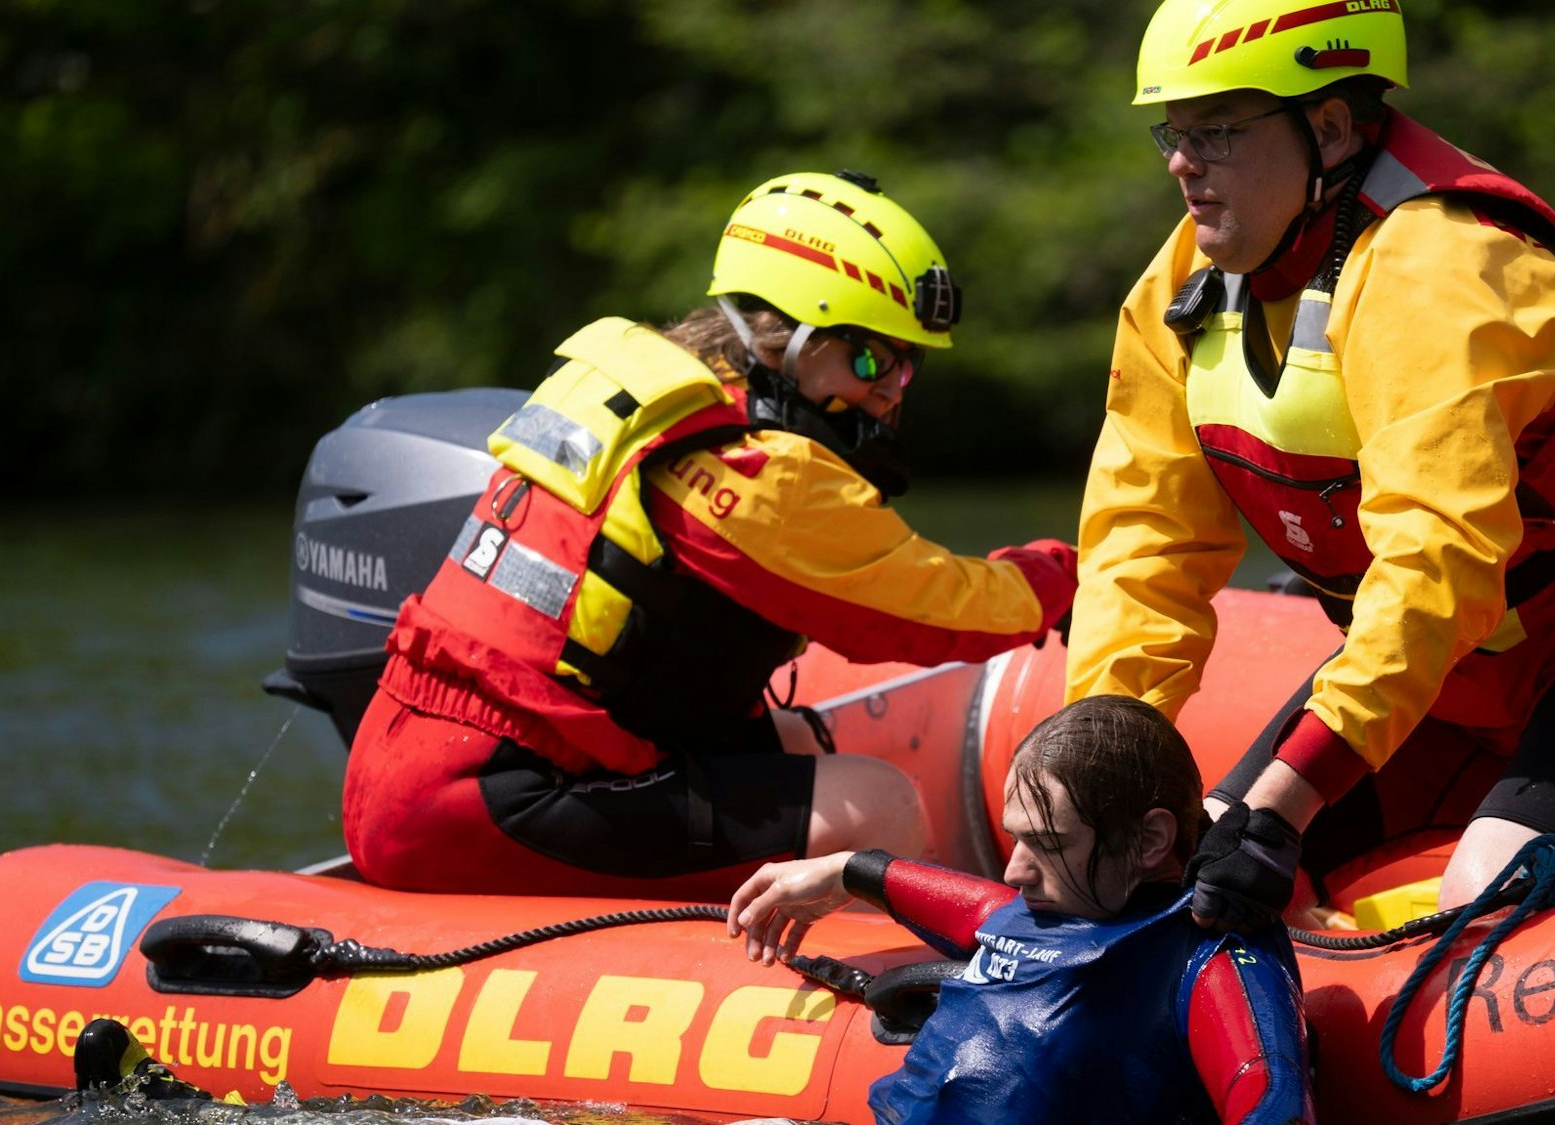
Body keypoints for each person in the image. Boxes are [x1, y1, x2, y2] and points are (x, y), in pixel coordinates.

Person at [1067, 0, 1555, 928]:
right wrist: (1094, 768)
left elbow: (1437, 563)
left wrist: (1282, 804)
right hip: (1458, 663)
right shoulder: (1173, 299)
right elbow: (1143, 555)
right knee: (1176, 871)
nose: (1181, 161)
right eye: (1172, 130)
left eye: (1217, 130)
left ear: (1329, 128)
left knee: (1480, 887)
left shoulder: (1442, 265)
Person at [343, 170, 1078, 899]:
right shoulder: (755, 471)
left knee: (794, 739)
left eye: (906, 364)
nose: (890, 387)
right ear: (789, 340)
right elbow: (940, 610)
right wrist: (1069, 575)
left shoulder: (662, 403)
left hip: (418, 762)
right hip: (486, 795)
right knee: (882, 805)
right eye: (869, 357)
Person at [728, 695, 1313, 1125]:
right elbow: (983, 908)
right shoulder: (1055, 901)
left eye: (1049, 844)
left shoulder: (1205, 957)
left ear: (1152, 840)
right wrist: (848, 868)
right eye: (1017, 839)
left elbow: (1274, 1106)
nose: (1015, 869)